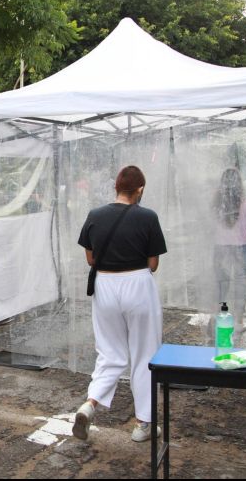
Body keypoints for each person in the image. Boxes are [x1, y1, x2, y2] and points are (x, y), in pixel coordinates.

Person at [73, 165, 167, 443]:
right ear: (140, 189)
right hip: (137, 284)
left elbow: (90, 259)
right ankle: (143, 424)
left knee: (109, 352)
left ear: (116, 187)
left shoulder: (95, 215)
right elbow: (153, 263)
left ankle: (90, 404)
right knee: (145, 354)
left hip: (105, 286)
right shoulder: (148, 217)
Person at [212, 168, 246, 341]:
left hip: (220, 248)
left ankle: (220, 318)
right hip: (241, 248)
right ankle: (239, 321)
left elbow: (208, 225)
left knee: (222, 284)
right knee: (240, 284)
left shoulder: (215, 203)